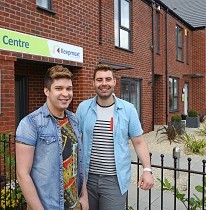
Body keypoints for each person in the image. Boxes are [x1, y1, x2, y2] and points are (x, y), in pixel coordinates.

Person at [76, 64, 154, 210]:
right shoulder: (83, 108)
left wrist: (147, 170)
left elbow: (139, 142)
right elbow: (76, 142)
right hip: (87, 179)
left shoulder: (128, 109)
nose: (104, 83)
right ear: (93, 83)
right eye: (99, 80)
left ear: (114, 82)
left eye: (108, 79)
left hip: (115, 181)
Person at [15, 65, 89, 210]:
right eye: (59, 88)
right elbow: (22, 174)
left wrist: (84, 196)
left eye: (69, 89)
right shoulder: (31, 123)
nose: (65, 93)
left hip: (74, 204)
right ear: (46, 91)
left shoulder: (74, 120)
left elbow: (79, 160)